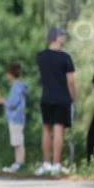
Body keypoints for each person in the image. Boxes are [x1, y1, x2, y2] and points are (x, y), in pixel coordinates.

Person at [35, 27, 75, 176]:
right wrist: (73, 98)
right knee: (58, 130)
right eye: (62, 36)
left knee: (46, 130)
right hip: (62, 98)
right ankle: (56, 165)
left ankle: (46, 164)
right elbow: (70, 81)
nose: (64, 38)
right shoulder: (65, 57)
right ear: (56, 37)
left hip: (46, 97)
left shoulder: (41, 56)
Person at [0, 63, 28, 173]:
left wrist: (3, 101)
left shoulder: (16, 87)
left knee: (17, 141)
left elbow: (13, 103)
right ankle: (18, 163)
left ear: (10, 74)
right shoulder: (20, 86)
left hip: (15, 118)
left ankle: (19, 163)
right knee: (18, 140)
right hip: (19, 117)